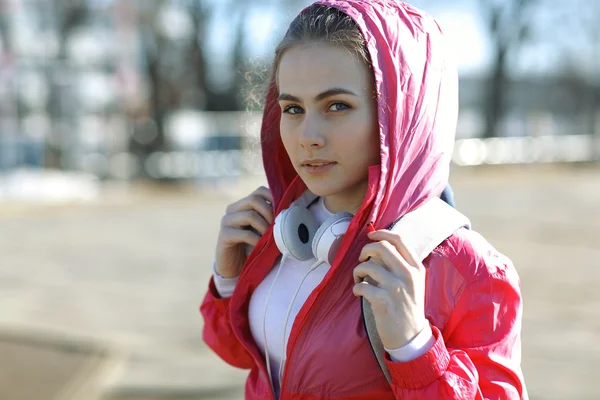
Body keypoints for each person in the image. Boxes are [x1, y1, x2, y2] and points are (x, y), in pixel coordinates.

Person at [200, 1, 525, 399]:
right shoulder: (286, 229)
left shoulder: (468, 270)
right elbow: (242, 356)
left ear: (402, 115)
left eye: (337, 106)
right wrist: (227, 281)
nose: (308, 135)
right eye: (293, 108)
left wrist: (414, 347)